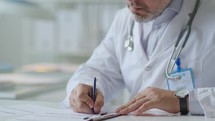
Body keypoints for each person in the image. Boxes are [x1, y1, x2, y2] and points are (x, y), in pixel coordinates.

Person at [63, 0, 215, 118]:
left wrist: (184, 100)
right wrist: (85, 88)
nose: (132, 1)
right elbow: (97, 69)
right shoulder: (123, 19)